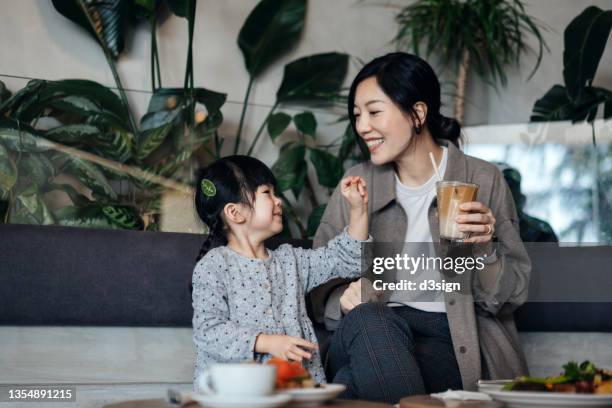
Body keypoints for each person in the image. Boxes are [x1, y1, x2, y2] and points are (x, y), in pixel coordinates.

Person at [310, 52, 531, 403]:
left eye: (374, 111)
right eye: (357, 115)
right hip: (366, 327)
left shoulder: (479, 179)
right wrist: (345, 300)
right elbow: (317, 287)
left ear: (418, 113)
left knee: (353, 382)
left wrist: (485, 248)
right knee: (371, 322)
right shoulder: (356, 184)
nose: (362, 125)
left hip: (451, 342)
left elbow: (510, 297)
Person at [191, 155, 371, 390]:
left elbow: (347, 259)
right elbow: (209, 331)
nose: (279, 202)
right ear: (235, 213)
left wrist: (358, 210)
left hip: (296, 390)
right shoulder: (213, 267)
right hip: (237, 393)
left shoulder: (291, 260)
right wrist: (267, 342)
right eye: (267, 193)